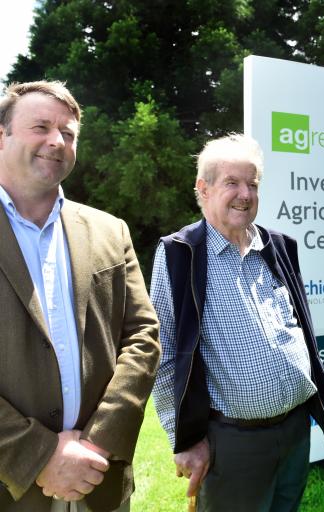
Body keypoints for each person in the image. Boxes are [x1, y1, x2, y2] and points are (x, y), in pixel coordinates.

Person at [150, 133, 324, 511]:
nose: (245, 194)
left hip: (295, 431)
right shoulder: (179, 254)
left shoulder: (279, 246)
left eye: (252, 183)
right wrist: (183, 438)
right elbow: (162, 356)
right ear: (203, 188)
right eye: (232, 182)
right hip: (232, 443)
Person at [0, 80, 160, 512]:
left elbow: (143, 335)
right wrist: (37, 455)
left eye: (68, 133)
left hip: (99, 480)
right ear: (2, 136)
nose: (56, 141)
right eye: (40, 126)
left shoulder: (111, 231)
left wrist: (101, 441)